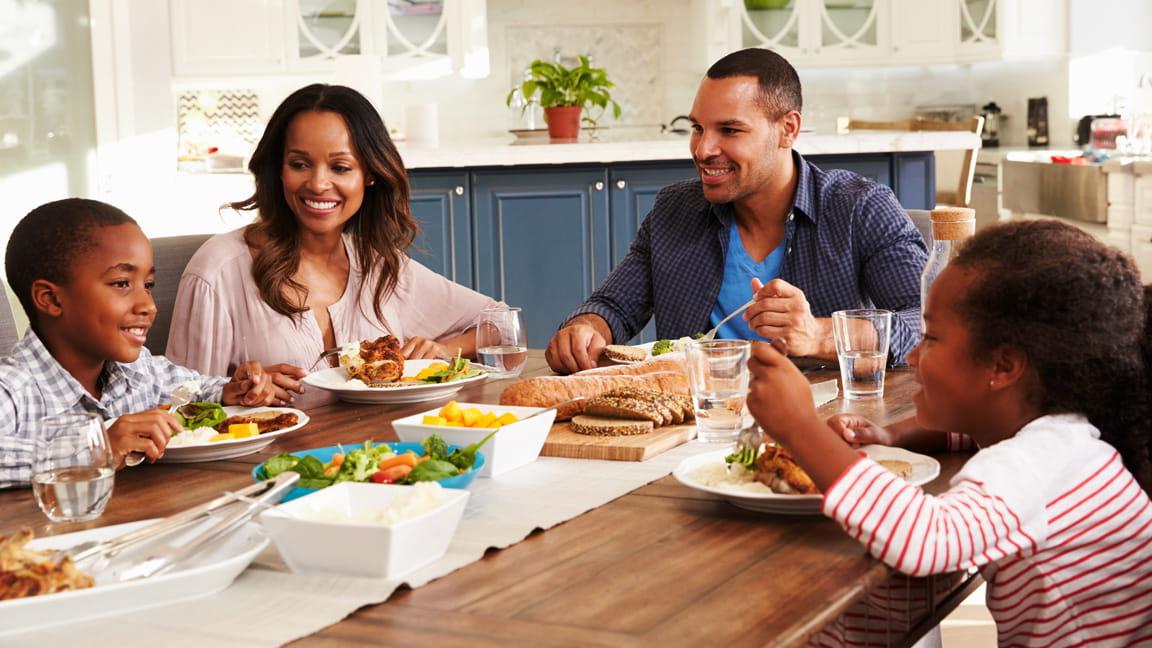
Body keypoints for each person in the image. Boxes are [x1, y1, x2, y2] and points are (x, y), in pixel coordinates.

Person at [747, 220, 1152, 645]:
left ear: (1002, 367)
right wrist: (895, 436)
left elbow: (924, 539)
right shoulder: (1061, 439)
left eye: (931, 337)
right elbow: (975, 435)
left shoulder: (1031, 464)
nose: (912, 353)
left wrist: (800, 427)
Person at [546, 48, 926, 373]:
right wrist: (586, 327)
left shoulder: (860, 208)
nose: (702, 149)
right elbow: (614, 306)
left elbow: (929, 327)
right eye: (697, 127)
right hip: (695, 426)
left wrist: (819, 333)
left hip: (822, 430)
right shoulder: (674, 210)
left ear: (788, 130)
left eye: (729, 130)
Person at [166, 84, 499, 406]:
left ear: (370, 174)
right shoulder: (217, 271)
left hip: (377, 455)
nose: (318, 183)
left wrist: (442, 350)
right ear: (278, 170)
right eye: (299, 164)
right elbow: (176, 400)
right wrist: (234, 390)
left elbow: (498, 324)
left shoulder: (377, 264)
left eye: (340, 167)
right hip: (258, 463)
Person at [0, 199, 287, 488]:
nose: (148, 305)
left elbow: (195, 390)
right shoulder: (12, 388)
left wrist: (234, 390)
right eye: (122, 283)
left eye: (148, 285)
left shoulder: (138, 370)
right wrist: (97, 449)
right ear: (50, 299)